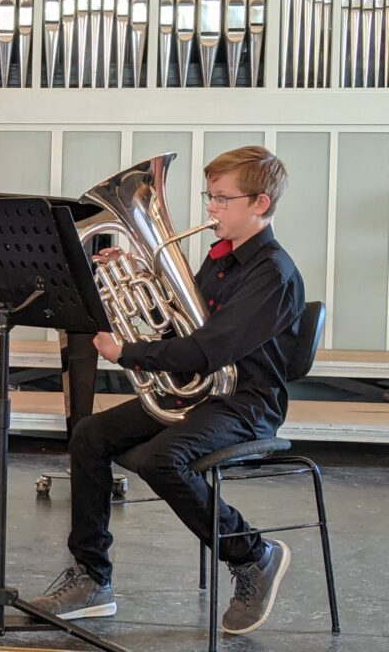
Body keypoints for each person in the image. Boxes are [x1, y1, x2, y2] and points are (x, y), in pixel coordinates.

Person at [32, 147, 305, 637]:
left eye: (222, 200)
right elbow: (177, 334)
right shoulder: (219, 262)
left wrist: (128, 353)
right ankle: (92, 579)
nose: (210, 209)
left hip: (245, 403)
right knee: (89, 435)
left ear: (260, 203)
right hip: (199, 394)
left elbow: (208, 350)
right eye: (210, 197)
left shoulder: (273, 274)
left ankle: (252, 555)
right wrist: (118, 280)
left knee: (163, 460)